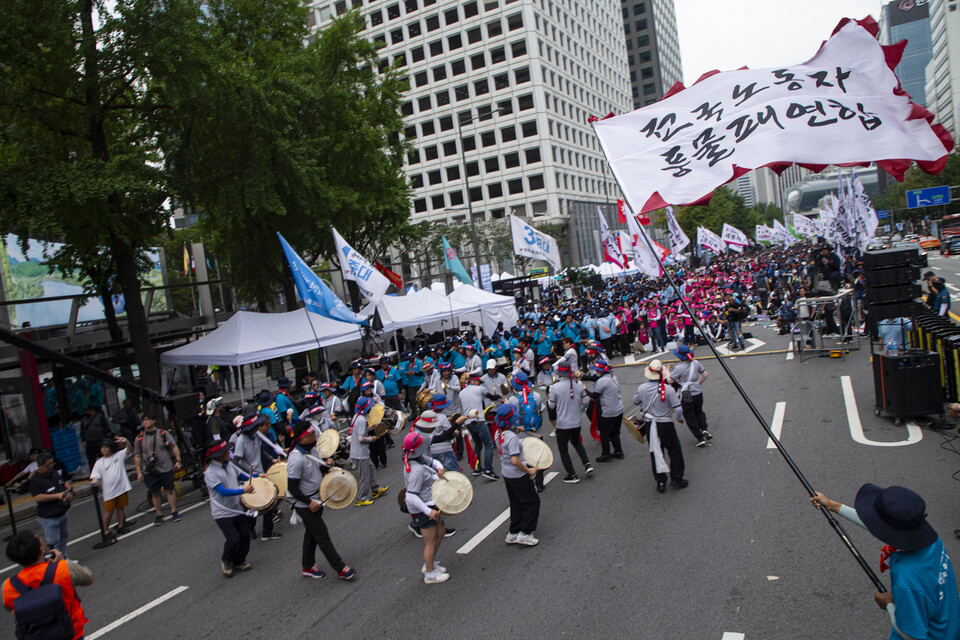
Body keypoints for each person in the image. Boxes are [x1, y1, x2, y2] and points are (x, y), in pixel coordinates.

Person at [811, 485, 960, 640]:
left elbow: (911, 635)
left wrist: (888, 604)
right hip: (950, 626)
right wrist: (832, 505)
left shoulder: (906, 579)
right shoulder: (931, 540)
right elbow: (877, 526)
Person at [286, 422, 357, 580]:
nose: (314, 437)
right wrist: (309, 502)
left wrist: (327, 466)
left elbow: (317, 469)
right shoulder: (296, 459)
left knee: (312, 533)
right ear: (301, 439)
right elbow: (292, 488)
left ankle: (307, 565)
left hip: (318, 498)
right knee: (322, 534)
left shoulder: (311, 451)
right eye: (311, 435)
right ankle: (340, 568)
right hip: (305, 503)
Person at [3, 531, 93, 639]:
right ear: (41, 550)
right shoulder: (63, 568)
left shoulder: (8, 586)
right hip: (70, 631)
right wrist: (62, 562)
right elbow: (88, 579)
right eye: (41, 540)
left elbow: (9, 606)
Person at [632, 360, 687, 493]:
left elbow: (635, 401)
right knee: (674, 450)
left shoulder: (642, 388)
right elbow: (678, 409)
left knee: (656, 451)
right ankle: (676, 478)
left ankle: (660, 481)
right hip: (665, 423)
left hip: (650, 424)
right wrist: (679, 419)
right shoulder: (668, 389)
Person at [402, 431, 449, 584]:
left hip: (429, 503)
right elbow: (411, 495)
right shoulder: (416, 470)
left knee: (440, 533)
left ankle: (430, 563)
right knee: (430, 541)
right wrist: (428, 511)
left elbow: (432, 462)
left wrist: (440, 467)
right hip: (423, 510)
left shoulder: (416, 458)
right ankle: (429, 572)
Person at [203, 439, 256, 578]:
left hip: (237, 508)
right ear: (219, 455)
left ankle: (239, 561)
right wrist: (243, 491)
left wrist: (257, 476)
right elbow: (223, 491)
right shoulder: (210, 473)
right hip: (223, 513)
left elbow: (242, 475)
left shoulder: (229, 465)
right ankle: (226, 560)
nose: (229, 453)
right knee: (233, 539)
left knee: (245, 536)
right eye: (226, 451)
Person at [495, 404, 541, 546]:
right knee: (532, 502)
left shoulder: (498, 432)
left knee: (516, 502)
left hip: (506, 473)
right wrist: (529, 470)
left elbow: (507, 440)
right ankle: (525, 533)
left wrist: (515, 431)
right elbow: (515, 460)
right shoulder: (512, 438)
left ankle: (513, 532)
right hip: (518, 474)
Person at [233, 413, 281, 541]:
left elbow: (260, 451)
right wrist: (249, 474)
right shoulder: (241, 440)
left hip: (261, 472)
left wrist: (272, 459)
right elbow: (235, 461)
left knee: (268, 502)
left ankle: (267, 531)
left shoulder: (256, 436)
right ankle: (250, 529)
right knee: (252, 505)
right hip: (251, 477)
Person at [133, 414, 183, 526]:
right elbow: (137, 455)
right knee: (155, 493)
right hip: (149, 470)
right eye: (143, 421)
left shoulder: (163, 433)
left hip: (165, 467)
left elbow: (174, 446)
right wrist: (139, 472)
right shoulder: (139, 438)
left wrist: (178, 460)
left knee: (170, 490)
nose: (145, 422)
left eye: (148, 420)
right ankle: (159, 514)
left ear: (153, 421)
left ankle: (174, 511)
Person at [547, 364, 593, 484]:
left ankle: (572, 475)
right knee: (577, 442)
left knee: (563, 449)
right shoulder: (577, 385)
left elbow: (551, 405)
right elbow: (585, 401)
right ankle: (587, 463)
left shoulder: (555, 387)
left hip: (562, 423)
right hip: (576, 421)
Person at [665, 344, 712, 447]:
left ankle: (699, 437)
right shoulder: (696, 362)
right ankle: (704, 429)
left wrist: (668, 371)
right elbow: (705, 374)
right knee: (699, 411)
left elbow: (670, 380)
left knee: (689, 416)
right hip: (698, 391)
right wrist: (698, 383)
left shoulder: (679, 367)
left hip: (686, 393)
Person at [29, 452, 74, 556]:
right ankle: (54, 564)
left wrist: (69, 488)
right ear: (39, 465)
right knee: (53, 543)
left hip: (62, 512)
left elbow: (62, 482)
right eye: (47, 465)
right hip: (49, 516)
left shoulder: (54, 473)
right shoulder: (35, 481)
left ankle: (63, 559)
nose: (50, 467)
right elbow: (38, 497)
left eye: (51, 464)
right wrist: (58, 495)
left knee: (64, 537)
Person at [90, 436, 133, 536]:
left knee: (120, 507)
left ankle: (121, 525)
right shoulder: (99, 463)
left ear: (111, 448)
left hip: (121, 488)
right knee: (109, 512)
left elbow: (129, 450)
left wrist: (126, 441)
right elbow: (95, 476)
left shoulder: (118, 456)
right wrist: (95, 482)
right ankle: (105, 530)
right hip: (109, 491)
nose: (104, 449)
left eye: (106, 447)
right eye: (102, 447)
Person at [459, 373, 499, 480]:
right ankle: (488, 470)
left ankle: (477, 468)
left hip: (468, 422)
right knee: (489, 444)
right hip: (479, 421)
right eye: (478, 382)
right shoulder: (479, 389)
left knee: (478, 444)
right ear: (475, 382)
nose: (479, 384)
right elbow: (492, 397)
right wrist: (499, 395)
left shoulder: (461, 393)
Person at [584, 359, 624, 462]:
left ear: (601, 371)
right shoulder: (613, 377)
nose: (596, 372)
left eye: (597, 370)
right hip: (619, 408)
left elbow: (594, 396)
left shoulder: (602, 381)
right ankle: (618, 451)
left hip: (609, 411)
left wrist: (584, 389)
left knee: (604, 433)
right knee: (615, 432)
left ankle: (606, 454)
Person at [350, 396, 387, 506]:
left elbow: (360, 432)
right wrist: (371, 439)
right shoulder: (361, 420)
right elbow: (361, 438)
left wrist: (371, 428)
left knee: (371, 469)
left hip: (361, 452)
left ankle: (375, 489)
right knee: (365, 476)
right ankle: (361, 498)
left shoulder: (356, 417)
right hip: (360, 453)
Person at [80, 404, 110, 470]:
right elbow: (82, 431)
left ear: (92, 411)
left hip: (99, 440)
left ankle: (105, 469)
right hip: (89, 441)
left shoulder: (99, 416)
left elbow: (105, 427)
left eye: (87, 411)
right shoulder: (84, 419)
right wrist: (83, 440)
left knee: (102, 456)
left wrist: (104, 437)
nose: (86, 413)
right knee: (91, 459)